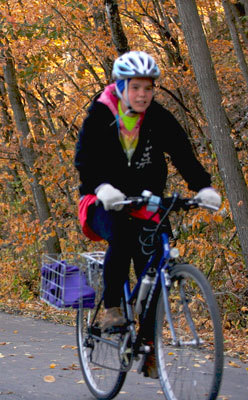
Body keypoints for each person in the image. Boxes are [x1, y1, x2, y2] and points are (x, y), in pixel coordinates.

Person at [74, 51, 221, 379]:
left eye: (148, 88)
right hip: (103, 200)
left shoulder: (157, 116)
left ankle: (147, 342)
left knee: (154, 267)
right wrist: (100, 188)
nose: (142, 94)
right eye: (136, 87)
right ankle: (111, 307)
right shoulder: (100, 114)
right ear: (122, 85)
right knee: (122, 239)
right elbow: (84, 159)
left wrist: (202, 187)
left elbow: (182, 153)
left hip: (147, 202)